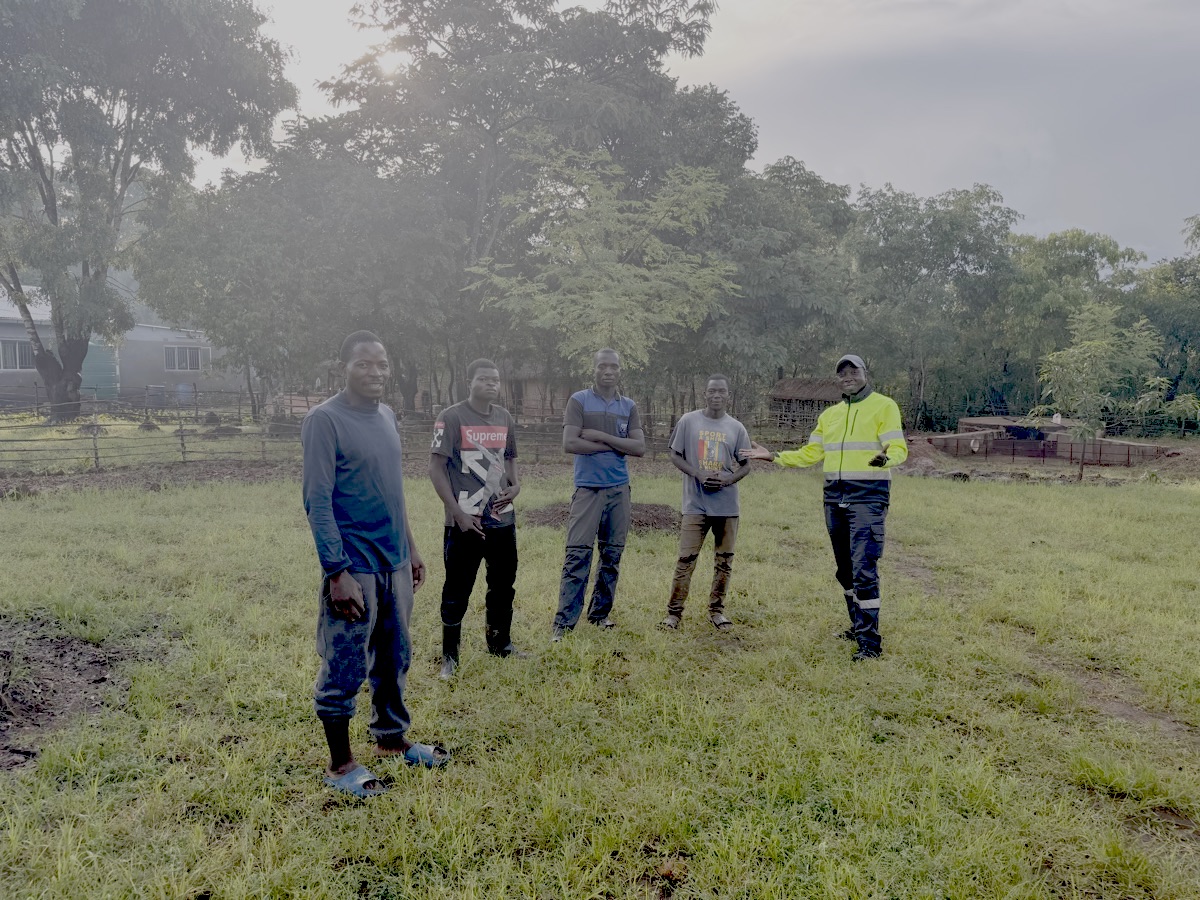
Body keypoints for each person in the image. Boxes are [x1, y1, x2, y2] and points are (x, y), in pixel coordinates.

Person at [302, 330, 448, 798]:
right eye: (364, 364)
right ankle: (341, 764)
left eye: (382, 364)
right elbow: (317, 501)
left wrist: (412, 549)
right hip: (354, 566)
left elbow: (394, 491)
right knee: (345, 664)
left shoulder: (387, 416)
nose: (375, 372)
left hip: (395, 562)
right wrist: (336, 572)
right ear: (343, 367)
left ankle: (391, 739)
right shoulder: (324, 421)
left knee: (394, 656)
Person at [744, 354, 908, 660]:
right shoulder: (829, 416)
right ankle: (857, 626)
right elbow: (810, 454)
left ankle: (870, 644)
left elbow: (897, 447)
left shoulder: (884, 406)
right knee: (845, 570)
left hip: (868, 497)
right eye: (842, 372)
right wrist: (773, 456)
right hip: (834, 497)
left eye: (853, 370)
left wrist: (887, 457)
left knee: (863, 570)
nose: (848, 376)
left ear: (864, 373)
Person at [429, 359, 523, 679]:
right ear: (469, 382)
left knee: (502, 585)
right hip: (465, 522)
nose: (491, 384)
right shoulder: (452, 417)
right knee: (457, 588)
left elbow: (509, 459)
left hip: (502, 519)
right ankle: (449, 658)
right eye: (483, 379)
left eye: (495, 380)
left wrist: (516, 485)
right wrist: (457, 513)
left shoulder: (504, 417)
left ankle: (500, 645)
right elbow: (436, 469)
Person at [551, 348, 645, 639]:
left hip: (619, 490)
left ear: (619, 371)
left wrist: (602, 437)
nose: (608, 371)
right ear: (593, 369)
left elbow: (640, 448)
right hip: (588, 490)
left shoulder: (628, 406)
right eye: (603, 366)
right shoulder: (578, 401)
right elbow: (571, 443)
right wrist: (619, 444)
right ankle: (563, 625)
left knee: (612, 555)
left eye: (613, 366)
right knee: (577, 554)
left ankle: (599, 614)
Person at [660, 375, 752, 632]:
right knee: (686, 559)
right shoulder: (689, 421)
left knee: (724, 560)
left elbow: (746, 465)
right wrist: (698, 474)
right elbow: (675, 455)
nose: (716, 395)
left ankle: (717, 611)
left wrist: (728, 480)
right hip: (695, 504)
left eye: (721, 391)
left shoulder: (736, 428)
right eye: (712, 391)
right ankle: (673, 614)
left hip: (727, 506)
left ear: (727, 395)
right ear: (705, 394)